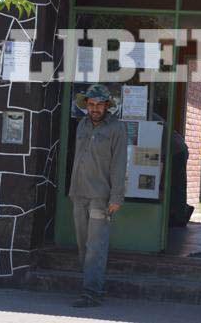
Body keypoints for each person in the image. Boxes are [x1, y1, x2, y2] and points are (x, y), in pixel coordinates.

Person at [68, 84, 127, 308]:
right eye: (91, 105)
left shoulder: (116, 129)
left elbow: (119, 164)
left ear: (106, 106)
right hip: (79, 193)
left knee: (96, 246)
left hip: (101, 197)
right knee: (83, 245)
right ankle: (91, 285)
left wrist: (116, 197)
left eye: (99, 105)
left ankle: (91, 292)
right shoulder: (82, 125)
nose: (94, 109)